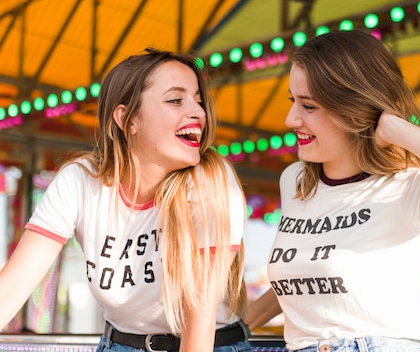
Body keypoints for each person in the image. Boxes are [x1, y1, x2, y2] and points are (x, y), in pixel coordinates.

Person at [245, 30, 420, 352]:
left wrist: (392, 127)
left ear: (352, 108)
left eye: (309, 106)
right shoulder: (296, 181)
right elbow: (305, 282)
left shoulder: (406, 187)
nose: (291, 119)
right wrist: (233, 328)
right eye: (293, 101)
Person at [0, 49, 252, 352]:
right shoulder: (80, 182)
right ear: (127, 118)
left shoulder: (211, 181)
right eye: (176, 100)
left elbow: (198, 324)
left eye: (198, 100)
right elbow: (11, 290)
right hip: (119, 343)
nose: (199, 112)